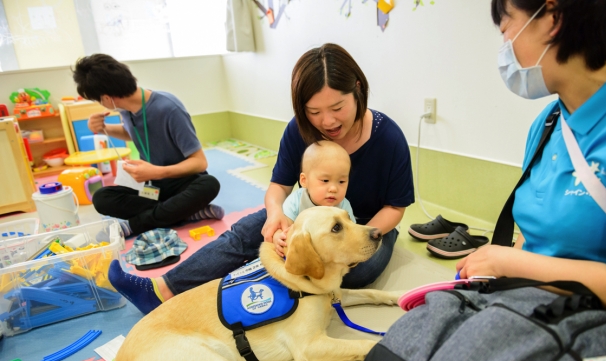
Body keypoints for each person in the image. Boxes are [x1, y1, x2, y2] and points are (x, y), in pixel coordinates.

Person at [108, 43, 415, 314]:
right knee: (248, 231)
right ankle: (162, 289)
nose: (328, 121)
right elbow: (279, 187)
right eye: (314, 111)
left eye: (337, 107)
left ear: (357, 89)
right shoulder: (299, 130)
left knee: (358, 272)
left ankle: (277, 279)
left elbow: (396, 207)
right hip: (309, 222)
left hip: (368, 225)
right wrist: (276, 216)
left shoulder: (387, 137)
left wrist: (361, 236)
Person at [457, 0, 606, 316]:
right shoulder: (548, 123)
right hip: (530, 309)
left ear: (552, 18)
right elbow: (532, 240)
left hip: (602, 329)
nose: (505, 49)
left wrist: (508, 261)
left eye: (506, 29)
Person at [72, 54, 223, 238]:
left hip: (182, 180)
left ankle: (135, 225)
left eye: (98, 100)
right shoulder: (125, 110)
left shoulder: (169, 108)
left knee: (209, 185)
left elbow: (200, 163)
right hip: (151, 185)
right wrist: (103, 129)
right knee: (102, 198)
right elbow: (132, 133)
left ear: (107, 98)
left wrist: (157, 172)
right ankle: (185, 213)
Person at [273, 140, 356, 257]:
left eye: (341, 182)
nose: (333, 188)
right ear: (304, 180)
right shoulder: (296, 201)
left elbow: (351, 233)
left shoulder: (343, 206)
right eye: (325, 180)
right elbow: (284, 228)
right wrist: (278, 237)